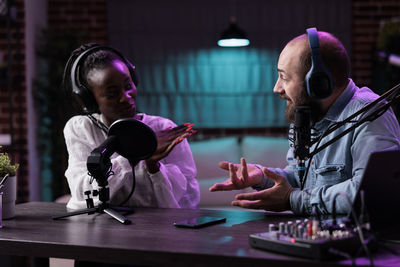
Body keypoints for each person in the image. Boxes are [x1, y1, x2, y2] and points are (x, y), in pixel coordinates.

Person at [210, 29, 400, 215]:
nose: (277, 88)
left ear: (318, 83)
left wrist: (292, 200)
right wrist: (262, 177)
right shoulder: (308, 112)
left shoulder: (371, 115)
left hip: (359, 244)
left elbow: (370, 193)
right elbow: (301, 178)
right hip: (315, 238)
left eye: (284, 77)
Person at [62, 43, 200, 210]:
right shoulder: (82, 128)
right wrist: (135, 154)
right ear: (90, 100)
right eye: (112, 94)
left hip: (156, 231)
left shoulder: (164, 127)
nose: (126, 97)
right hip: (101, 229)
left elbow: (188, 202)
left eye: (128, 86)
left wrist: (154, 167)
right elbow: (84, 194)